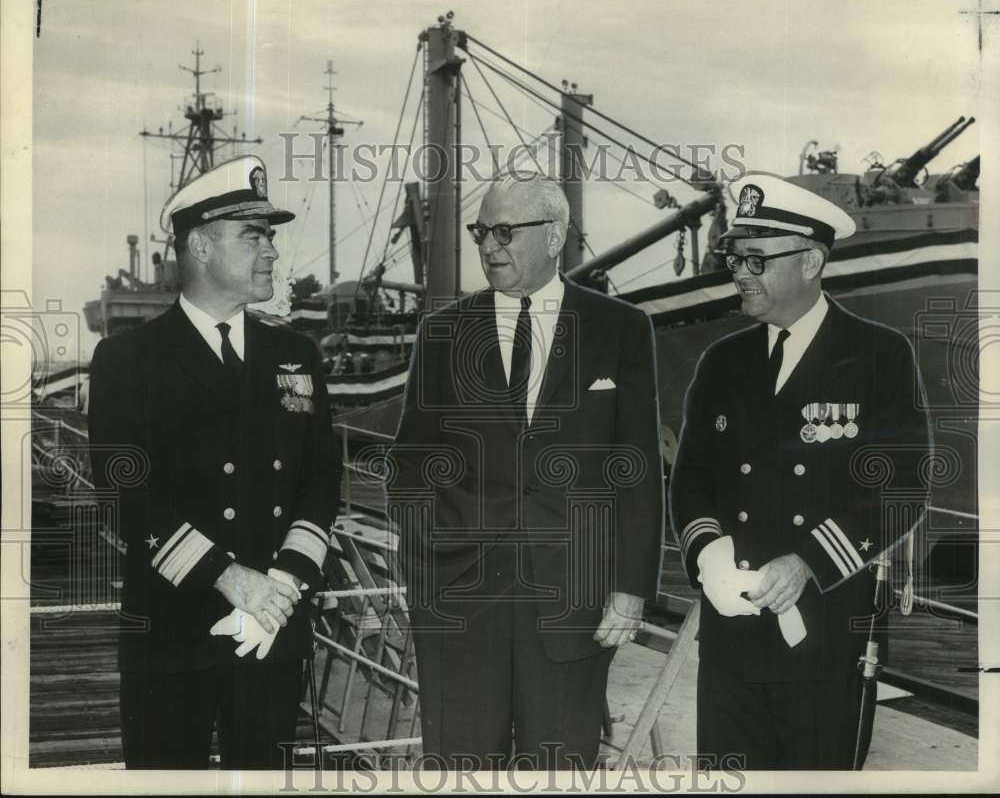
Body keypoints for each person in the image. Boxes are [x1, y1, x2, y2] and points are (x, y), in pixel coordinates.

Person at [386, 174, 663, 770]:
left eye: (505, 231)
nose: (489, 246)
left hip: (574, 605)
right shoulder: (443, 332)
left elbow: (636, 471)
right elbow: (410, 466)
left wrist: (632, 589)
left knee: (561, 770)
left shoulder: (620, 328)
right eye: (481, 231)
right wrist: (425, 577)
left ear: (555, 234)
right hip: (460, 611)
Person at [670, 173, 931, 770]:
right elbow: (691, 480)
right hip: (731, 641)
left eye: (756, 260)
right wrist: (706, 551)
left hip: (825, 638)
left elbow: (901, 488)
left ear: (811, 260)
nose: (739, 272)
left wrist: (808, 562)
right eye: (735, 257)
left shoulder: (879, 356)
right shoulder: (721, 363)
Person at [87, 155, 340, 769]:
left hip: (273, 633)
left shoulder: (295, 354)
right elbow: (127, 497)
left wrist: (281, 586)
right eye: (253, 236)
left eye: (270, 236)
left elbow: (320, 481)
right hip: (172, 637)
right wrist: (233, 580)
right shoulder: (127, 361)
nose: (272, 252)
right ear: (199, 245)